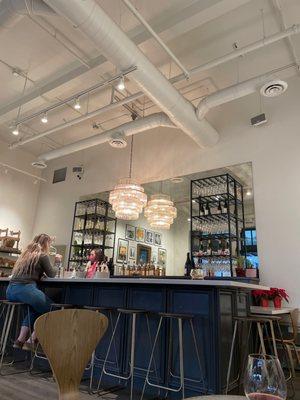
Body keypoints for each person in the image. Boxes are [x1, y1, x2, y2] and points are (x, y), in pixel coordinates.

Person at [6, 233, 62, 351]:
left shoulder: (25, 255)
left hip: (10, 291)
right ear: (46, 244)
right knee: (53, 311)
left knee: (35, 309)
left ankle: (20, 340)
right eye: (49, 243)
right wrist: (57, 261)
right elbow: (52, 274)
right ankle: (32, 340)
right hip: (25, 290)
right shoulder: (42, 256)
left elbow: (31, 272)